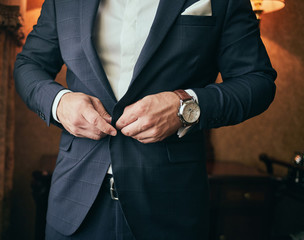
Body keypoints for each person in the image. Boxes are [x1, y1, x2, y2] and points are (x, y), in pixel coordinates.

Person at [14, 0, 277, 239]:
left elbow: (258, 81)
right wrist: (59, 103)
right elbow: (29, 64)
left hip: (171, 207)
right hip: (74, 203)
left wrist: (185, 106)